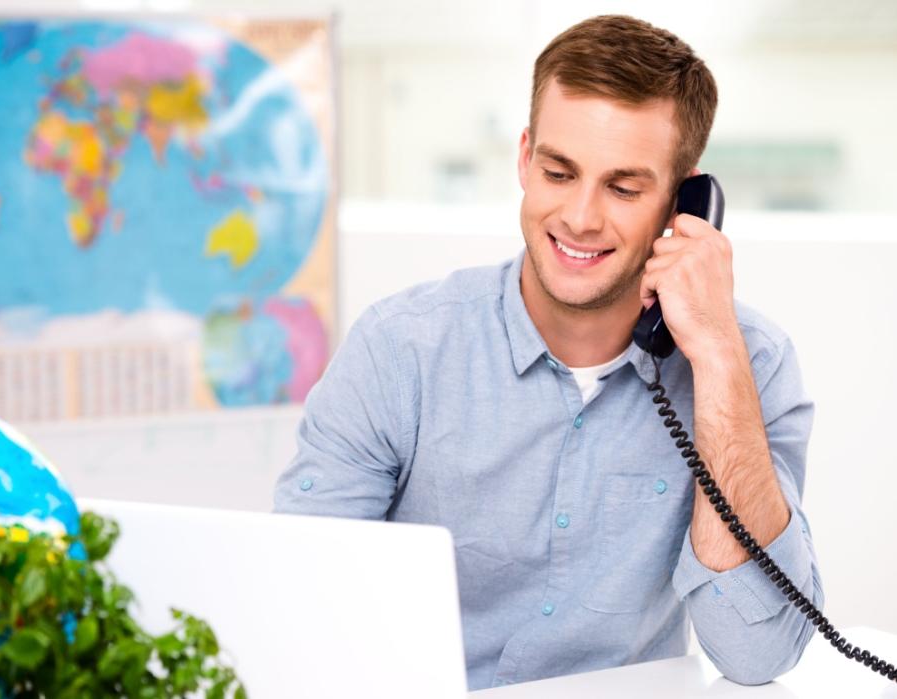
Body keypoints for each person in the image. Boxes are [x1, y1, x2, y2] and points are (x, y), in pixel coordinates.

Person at [274, 14, 823, 691]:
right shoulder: (400, 349)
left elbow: (755, 652)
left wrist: (713, 359)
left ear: (685, 202)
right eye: (560, 172)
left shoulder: (748, 365)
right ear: (525, 157)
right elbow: (296, 605)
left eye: (624, 187)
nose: (582, 216)